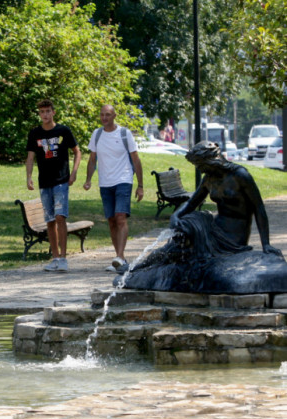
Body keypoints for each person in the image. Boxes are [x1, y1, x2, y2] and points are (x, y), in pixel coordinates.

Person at [123, 141, 285, 293]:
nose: (200, 170)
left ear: (211, 160)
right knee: (178, 240)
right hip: (215, 229)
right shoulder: (209, 178)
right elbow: (192, 203)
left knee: (192, 226)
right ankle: (136, 269)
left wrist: (266, 244)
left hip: (232, 239)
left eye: (201, 166)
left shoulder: (240, 175)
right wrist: (176, 215)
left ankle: (136, 270)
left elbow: (259, 209)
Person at [83, 104, 143, 273]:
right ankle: (119, 258)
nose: (104, 118)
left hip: (123, 179)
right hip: (105, 182)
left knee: (120, 217)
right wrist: (88, 179)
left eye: (108, 115)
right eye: (102, 115)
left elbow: (136, 160)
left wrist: (140, 185)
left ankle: (120, 256)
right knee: (111, 220)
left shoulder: (125, 134)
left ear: (114, 115)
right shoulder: (97, 134)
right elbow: (92, 160)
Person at [25, 99, 81, 272]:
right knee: (49, 219)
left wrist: (74, 172)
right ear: (39, 114)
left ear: (53, 112)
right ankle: (55, 257)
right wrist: (28, 176)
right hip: (45, 182)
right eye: (42, 112)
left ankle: (63, 257)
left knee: (60, 217)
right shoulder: (35, 133)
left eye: (48, 111)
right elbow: (30, 156)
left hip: (61, 180)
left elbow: (77, 151)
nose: (45, 115)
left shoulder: (63, 131)